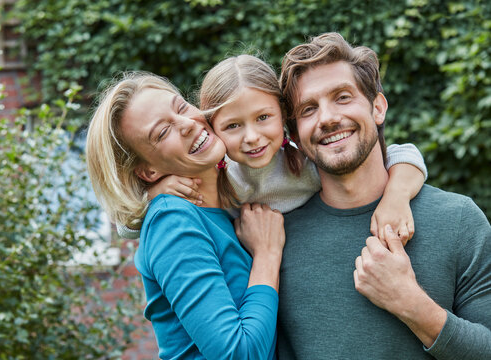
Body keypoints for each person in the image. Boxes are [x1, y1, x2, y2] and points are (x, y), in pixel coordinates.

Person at [277, 32, 491, 359]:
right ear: (294, 135)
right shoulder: (276, 240)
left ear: (378, 108)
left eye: (343, 97)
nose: (328, 118)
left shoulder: (459, 221)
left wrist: (409, 303)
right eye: (308, 109)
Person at [120, 54, 429, 243]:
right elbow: (126, 229)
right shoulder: (220, 179)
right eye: (233, 126)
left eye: (263, 118)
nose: (252, 137)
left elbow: (405, 155)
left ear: (284, 116)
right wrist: (155, 194)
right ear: (213, 127)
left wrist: (396, 198)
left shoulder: (305, 163)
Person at [85, 72, 285, 359]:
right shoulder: (173, 221)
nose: (188, 124)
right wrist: (267, 254)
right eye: (162, 132)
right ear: (149, 171)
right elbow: (238, 354)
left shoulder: (230, 192)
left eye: (180, 108)